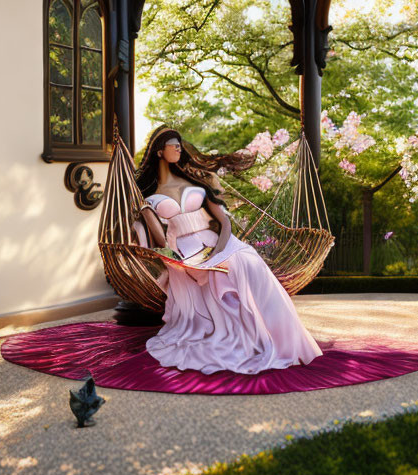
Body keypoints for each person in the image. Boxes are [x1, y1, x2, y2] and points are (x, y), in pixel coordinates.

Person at [133, 126, 323, 375]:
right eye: (173, 145)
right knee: (221, 273)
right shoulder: (148, 196)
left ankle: (278, 337)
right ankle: (249, 337)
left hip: (218, 241)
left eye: (180, 144)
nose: (179, 148)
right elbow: (160, 241)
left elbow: (224, 223)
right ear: (159, 151)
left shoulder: (194, 182)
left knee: (247, 261)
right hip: (184, 252)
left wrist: (219, 251)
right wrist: (146, 214)